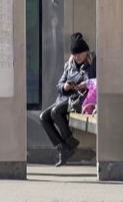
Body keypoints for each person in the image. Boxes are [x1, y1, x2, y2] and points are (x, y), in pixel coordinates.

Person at [40, 33, 96, 167]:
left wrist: (79, 85)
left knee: (55, 112)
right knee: (43, 117)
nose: (78, 57)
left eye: (80, 53)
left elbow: (92, 84)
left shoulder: (89, 66)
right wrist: (64, 87)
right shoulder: (69, 66)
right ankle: (63, 148)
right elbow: (59, 85)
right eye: (75, 54)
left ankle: (70, 141)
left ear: (85, 51)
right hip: (65, 98)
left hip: (79, 100)